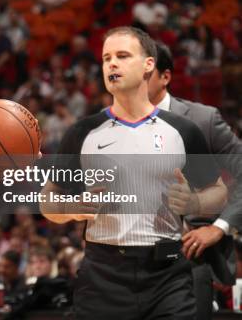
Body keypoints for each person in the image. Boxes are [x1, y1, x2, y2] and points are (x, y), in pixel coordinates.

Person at [40, 26, 222, 319]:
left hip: (168, 274)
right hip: (103, 275)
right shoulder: (81, 132)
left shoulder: (183, 130)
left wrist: (195, 204)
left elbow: (217, 191)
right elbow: (48, 201)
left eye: (122, 56)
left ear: (149, 64)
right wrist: (71, 207)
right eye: (106, 58)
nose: (112, 64)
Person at [148, 42, 242, 319]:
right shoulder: (107, 128)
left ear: (165, 77)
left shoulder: (203, 119)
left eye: (145, 72)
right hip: (123, 271)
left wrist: (219, 227)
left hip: (186, 260)